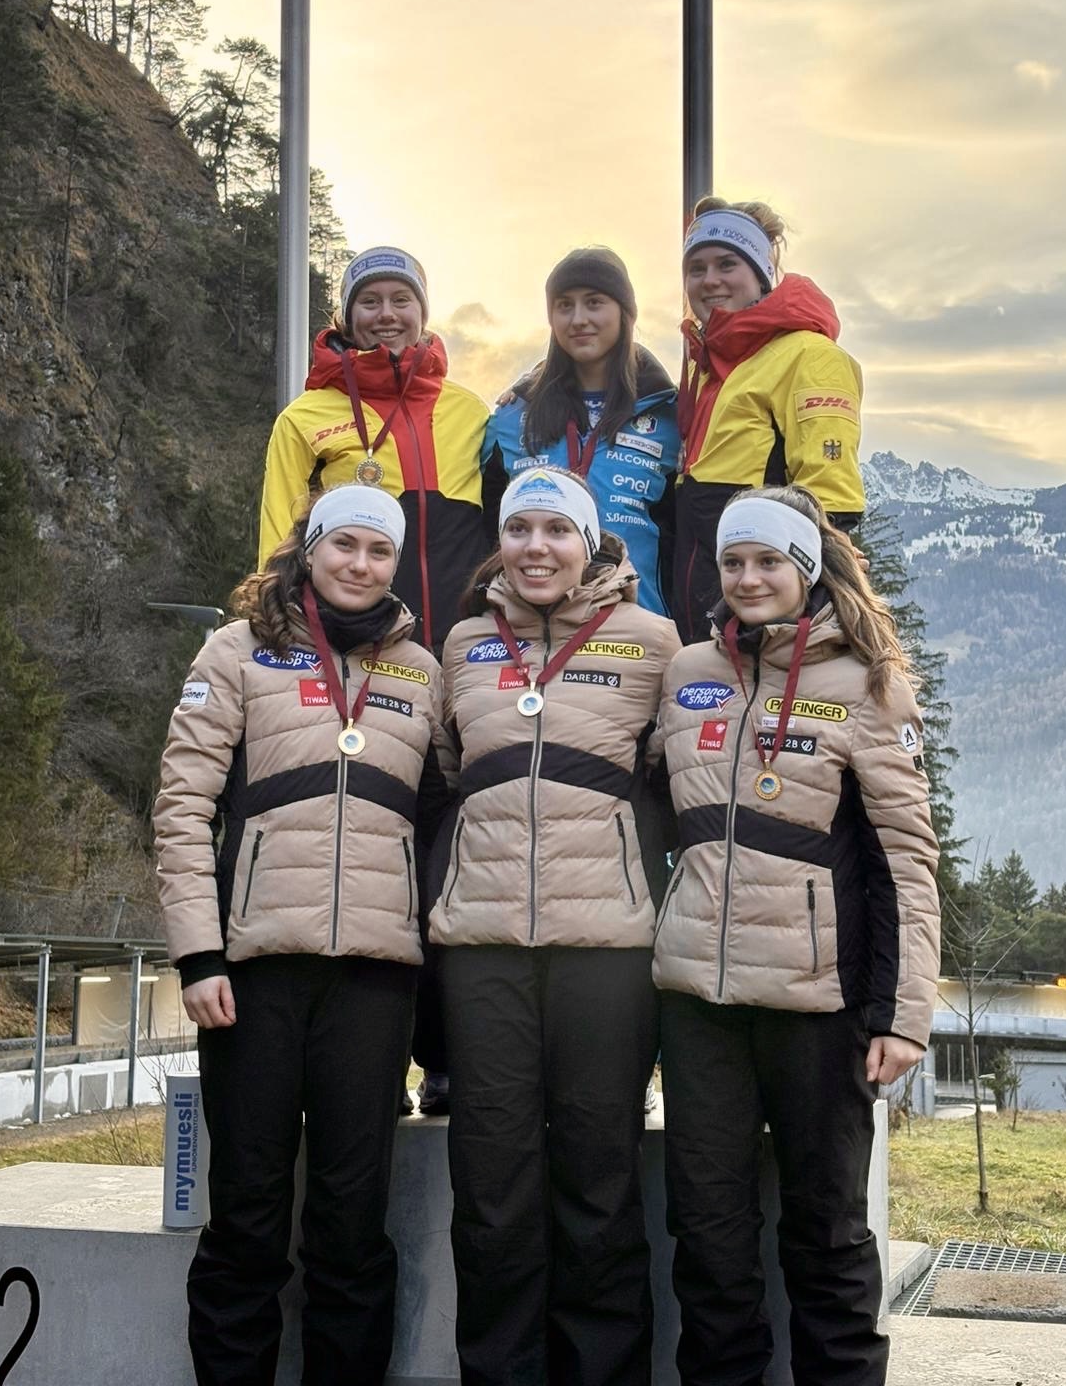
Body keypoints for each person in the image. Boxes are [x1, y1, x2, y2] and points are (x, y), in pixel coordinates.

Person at [155, 484, 453, 1386]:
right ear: (311, 547)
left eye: (379, 553)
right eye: (345, 546)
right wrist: (198, 954)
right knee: (247, 1217)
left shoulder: (422, 672)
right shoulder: (237, 649)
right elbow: (181, 809)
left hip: (375, 980)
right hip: (251, 974)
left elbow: (442, 818)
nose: (360, 566)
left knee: (350, 1221)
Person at [653, 486, 940, 1386]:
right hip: (698, 1002)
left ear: (806, 570)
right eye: (734, 562)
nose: (748, 578)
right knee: (708, 1233)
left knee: (826, 1234)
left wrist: (903, 1015)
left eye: (769, 561)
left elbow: (906, 861)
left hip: (821, 1005)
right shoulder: (686, 670)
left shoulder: (866, 682)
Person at [430, 467, 681, 1386]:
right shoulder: (460, 645)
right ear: (501, 541)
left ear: (591, 543)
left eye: (557, 531)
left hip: (607, 953)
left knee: (600, 1186)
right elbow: (451, 766)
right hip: (482, 946)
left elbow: (670, 781)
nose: (537, 548)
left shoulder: (656, 644)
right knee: (491, 1190)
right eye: (520, 529)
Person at [258, 246, 488, 656]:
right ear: (347, 317)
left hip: (470, 646)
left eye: (402, 300)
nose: (387, 314)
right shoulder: (304, 418)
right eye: (369, 301)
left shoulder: (471, 410)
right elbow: (278, 538)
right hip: (359, 649)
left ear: (422, 313)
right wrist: (273, 628)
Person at [675, 196, 866, 642]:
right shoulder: (707, 366)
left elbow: (830, 498)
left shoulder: (810, 356)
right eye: (696, 269)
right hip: (708, 601)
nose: (710, 280)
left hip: (762, 615)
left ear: (761, 275)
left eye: (727, 264)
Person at [482, 247, 680, 615]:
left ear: (624, 312)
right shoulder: (512, 418)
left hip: (637, 629)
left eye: (594, 303)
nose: (578, 319)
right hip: (531, 630)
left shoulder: (671, 416)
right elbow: (486, 532)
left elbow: (683, 539)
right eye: (564, 305)